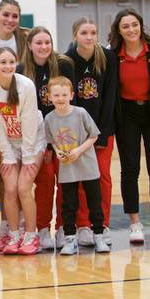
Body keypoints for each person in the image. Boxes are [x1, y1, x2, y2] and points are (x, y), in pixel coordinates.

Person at [109, 9, 150, 244]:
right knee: (130, 169)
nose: (131, 30)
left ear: (141, 25)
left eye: (134, 25)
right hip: (127, 115)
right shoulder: (113, 54)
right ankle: (134, 223)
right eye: (125, 26)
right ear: (119, 30)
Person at [17, 26, 75, 250]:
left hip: (64, 134)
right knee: (44, 182)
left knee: (66, 182)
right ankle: (42, 228)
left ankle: (64, 228)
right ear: (30, 45)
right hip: (38, 137)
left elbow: (73, 102)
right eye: (38, 43)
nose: (43, 47)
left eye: (47, 42)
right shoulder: (22, 70)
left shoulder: (64, 65)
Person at [0, 47, 42, 255]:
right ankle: (14, 234)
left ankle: (31, 235)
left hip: (32, 142)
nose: (7, 66)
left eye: (11, 62)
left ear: (16, 63)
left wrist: (27, 157)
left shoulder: (26, 85)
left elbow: (29, 122)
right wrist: (7, 156)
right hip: (8, 142)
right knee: (9, 188)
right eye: (2, 62)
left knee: (23, 188)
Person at [64, 17, 117, 246]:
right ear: (75, 35)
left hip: (102, 129)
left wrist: (102, 133)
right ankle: (83, 225)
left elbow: (110, 96)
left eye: (93, 32)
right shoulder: (66, 61)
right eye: (84, 32)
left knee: (102, 177)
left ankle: (102, 223)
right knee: (78, 180)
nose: (89, 37)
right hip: (75, 133)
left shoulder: (107, 58)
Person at [42, 77, 109, 255]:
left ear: (71, 95)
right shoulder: (49, 118)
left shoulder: (80, 113)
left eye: (64, 94)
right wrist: (57, 151)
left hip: (87, 165)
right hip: (67, 167)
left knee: (94, 203)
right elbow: (52, 141)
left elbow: (94, 136)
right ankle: (70, 240)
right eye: (56, 95)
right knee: (69, 204)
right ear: (49, 96)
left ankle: (99, 237)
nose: (60, 98)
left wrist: (79, 151)